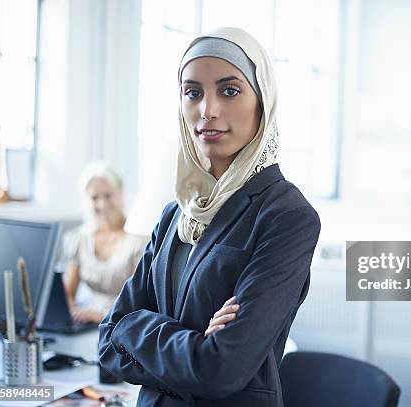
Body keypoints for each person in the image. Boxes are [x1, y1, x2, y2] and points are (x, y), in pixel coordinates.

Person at [98, 27, 321, 406]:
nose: (208, 110)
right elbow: (106, 346)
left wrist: (135, 328)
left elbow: (220, 371)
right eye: (193, 92)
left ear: (262, 102)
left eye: (229, 90)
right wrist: (194, 343)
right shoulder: (174, 216)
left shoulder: (287, 215)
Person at [62, 161, 148, 323]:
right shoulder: (81, 238)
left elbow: (140, 299)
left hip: (124, 323)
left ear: (121, 194)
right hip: (87, 323)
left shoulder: (139, 240)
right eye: (94, 197)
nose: (102, 204)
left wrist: (101, 316)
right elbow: (67, 295)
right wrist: (73, 312)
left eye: (108, 195)